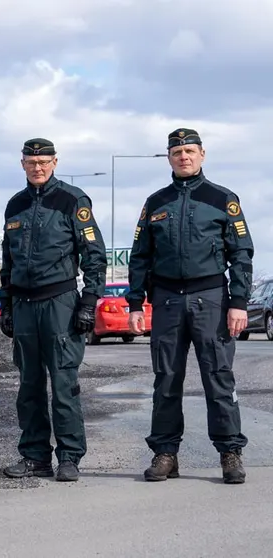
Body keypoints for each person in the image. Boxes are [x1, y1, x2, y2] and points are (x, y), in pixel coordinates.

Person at [126, 128, 252, 484]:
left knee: (218, 378)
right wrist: (135, 303)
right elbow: (140, 257)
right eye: (177, 151)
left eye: (190, 151)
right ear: (169, 157)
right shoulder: (156, 203)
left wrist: (239, 302)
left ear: (202, 154)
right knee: (166, 379)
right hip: (166, 300)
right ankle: (166, 454)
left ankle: (230, 452)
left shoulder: (222, 198)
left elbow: (241, 253)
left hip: (211, 298)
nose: (184, 156)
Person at [0, 138, 107, 482]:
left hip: (59, 303)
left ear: (55, 162)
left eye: (44, 161)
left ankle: (70, 457)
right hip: (25, 305)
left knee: (63, 384)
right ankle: (34, 456)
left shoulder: (73, 201)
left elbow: (94, 256)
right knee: (28, 386)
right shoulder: (14, 205)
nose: (38, 167)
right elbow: (7, 262)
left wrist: (88, 303)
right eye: (32, 162)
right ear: (23, 164)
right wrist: (7, 306)